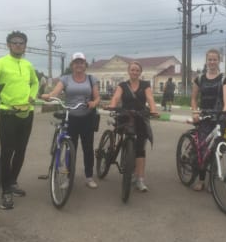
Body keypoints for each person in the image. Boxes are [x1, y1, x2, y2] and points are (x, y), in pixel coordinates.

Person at [0, 31, 39, 210]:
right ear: (8, 45)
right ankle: (6, 192)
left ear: (25, 46)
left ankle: (12, 182)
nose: (18, 45)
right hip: (8, 114)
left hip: (27, 113)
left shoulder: (28, 65)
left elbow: (35, 83)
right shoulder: (0, 63)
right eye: (15, 42)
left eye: (21, 42)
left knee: (21, 151)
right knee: (7, 153)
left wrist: (32, 97)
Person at [42, 52, 100, 189]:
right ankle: (68, 177)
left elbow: (97, 97)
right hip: (70, 118)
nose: (79, 65)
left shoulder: (91, 79)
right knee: (69, 148)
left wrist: (94, 103)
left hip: (87, 118)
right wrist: (49, 96)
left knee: (88, 149)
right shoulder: (66, 79)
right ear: (72, 65)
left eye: (81, 62)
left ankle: (89, 176)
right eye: (76, 62)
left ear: (85, 65)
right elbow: (56, 92)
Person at [108, 61, 158, 192]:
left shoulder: (145, 85)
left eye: (137, 70)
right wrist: (112, 105)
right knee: (121, 134)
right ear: (128, 71)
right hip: (125, 115)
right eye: (132, 70)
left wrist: (153, 110)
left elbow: (150, 98)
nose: (135, 72)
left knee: (140, 147)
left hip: (140, 116)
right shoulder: (122, 85)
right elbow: (116, 97)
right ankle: (120, 149)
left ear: (140, 72)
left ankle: (140, 178)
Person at [191, 48, 226, 191]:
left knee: (218, 150)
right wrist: (195, 112)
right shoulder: (199, 79)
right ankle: (201, 179)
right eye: (210, 59)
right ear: (206, 61)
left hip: (219, 117)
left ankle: (212, 178)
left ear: (219, 60)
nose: (212, 62)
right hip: (204, 117)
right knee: (202, 149)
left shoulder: (224, 78)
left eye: (215, 59)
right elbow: (194, 98)